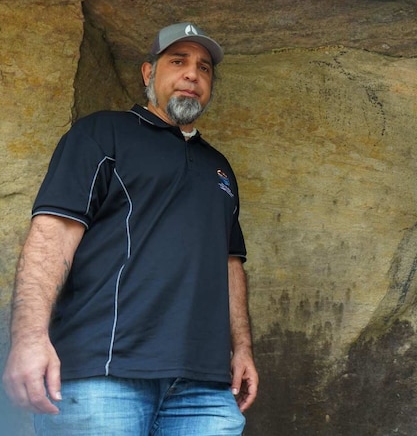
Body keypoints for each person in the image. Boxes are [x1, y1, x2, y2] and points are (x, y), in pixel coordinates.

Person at [2, 22, 258, 435]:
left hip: (204, 389)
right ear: (148, 74)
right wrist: (29, 339)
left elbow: (229, 264)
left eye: (205, 67)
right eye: (178, 61)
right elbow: (52, 237)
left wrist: (242, 348)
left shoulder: (219, 167)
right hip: (103, 375)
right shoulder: (102, 134)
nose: (193, 74)